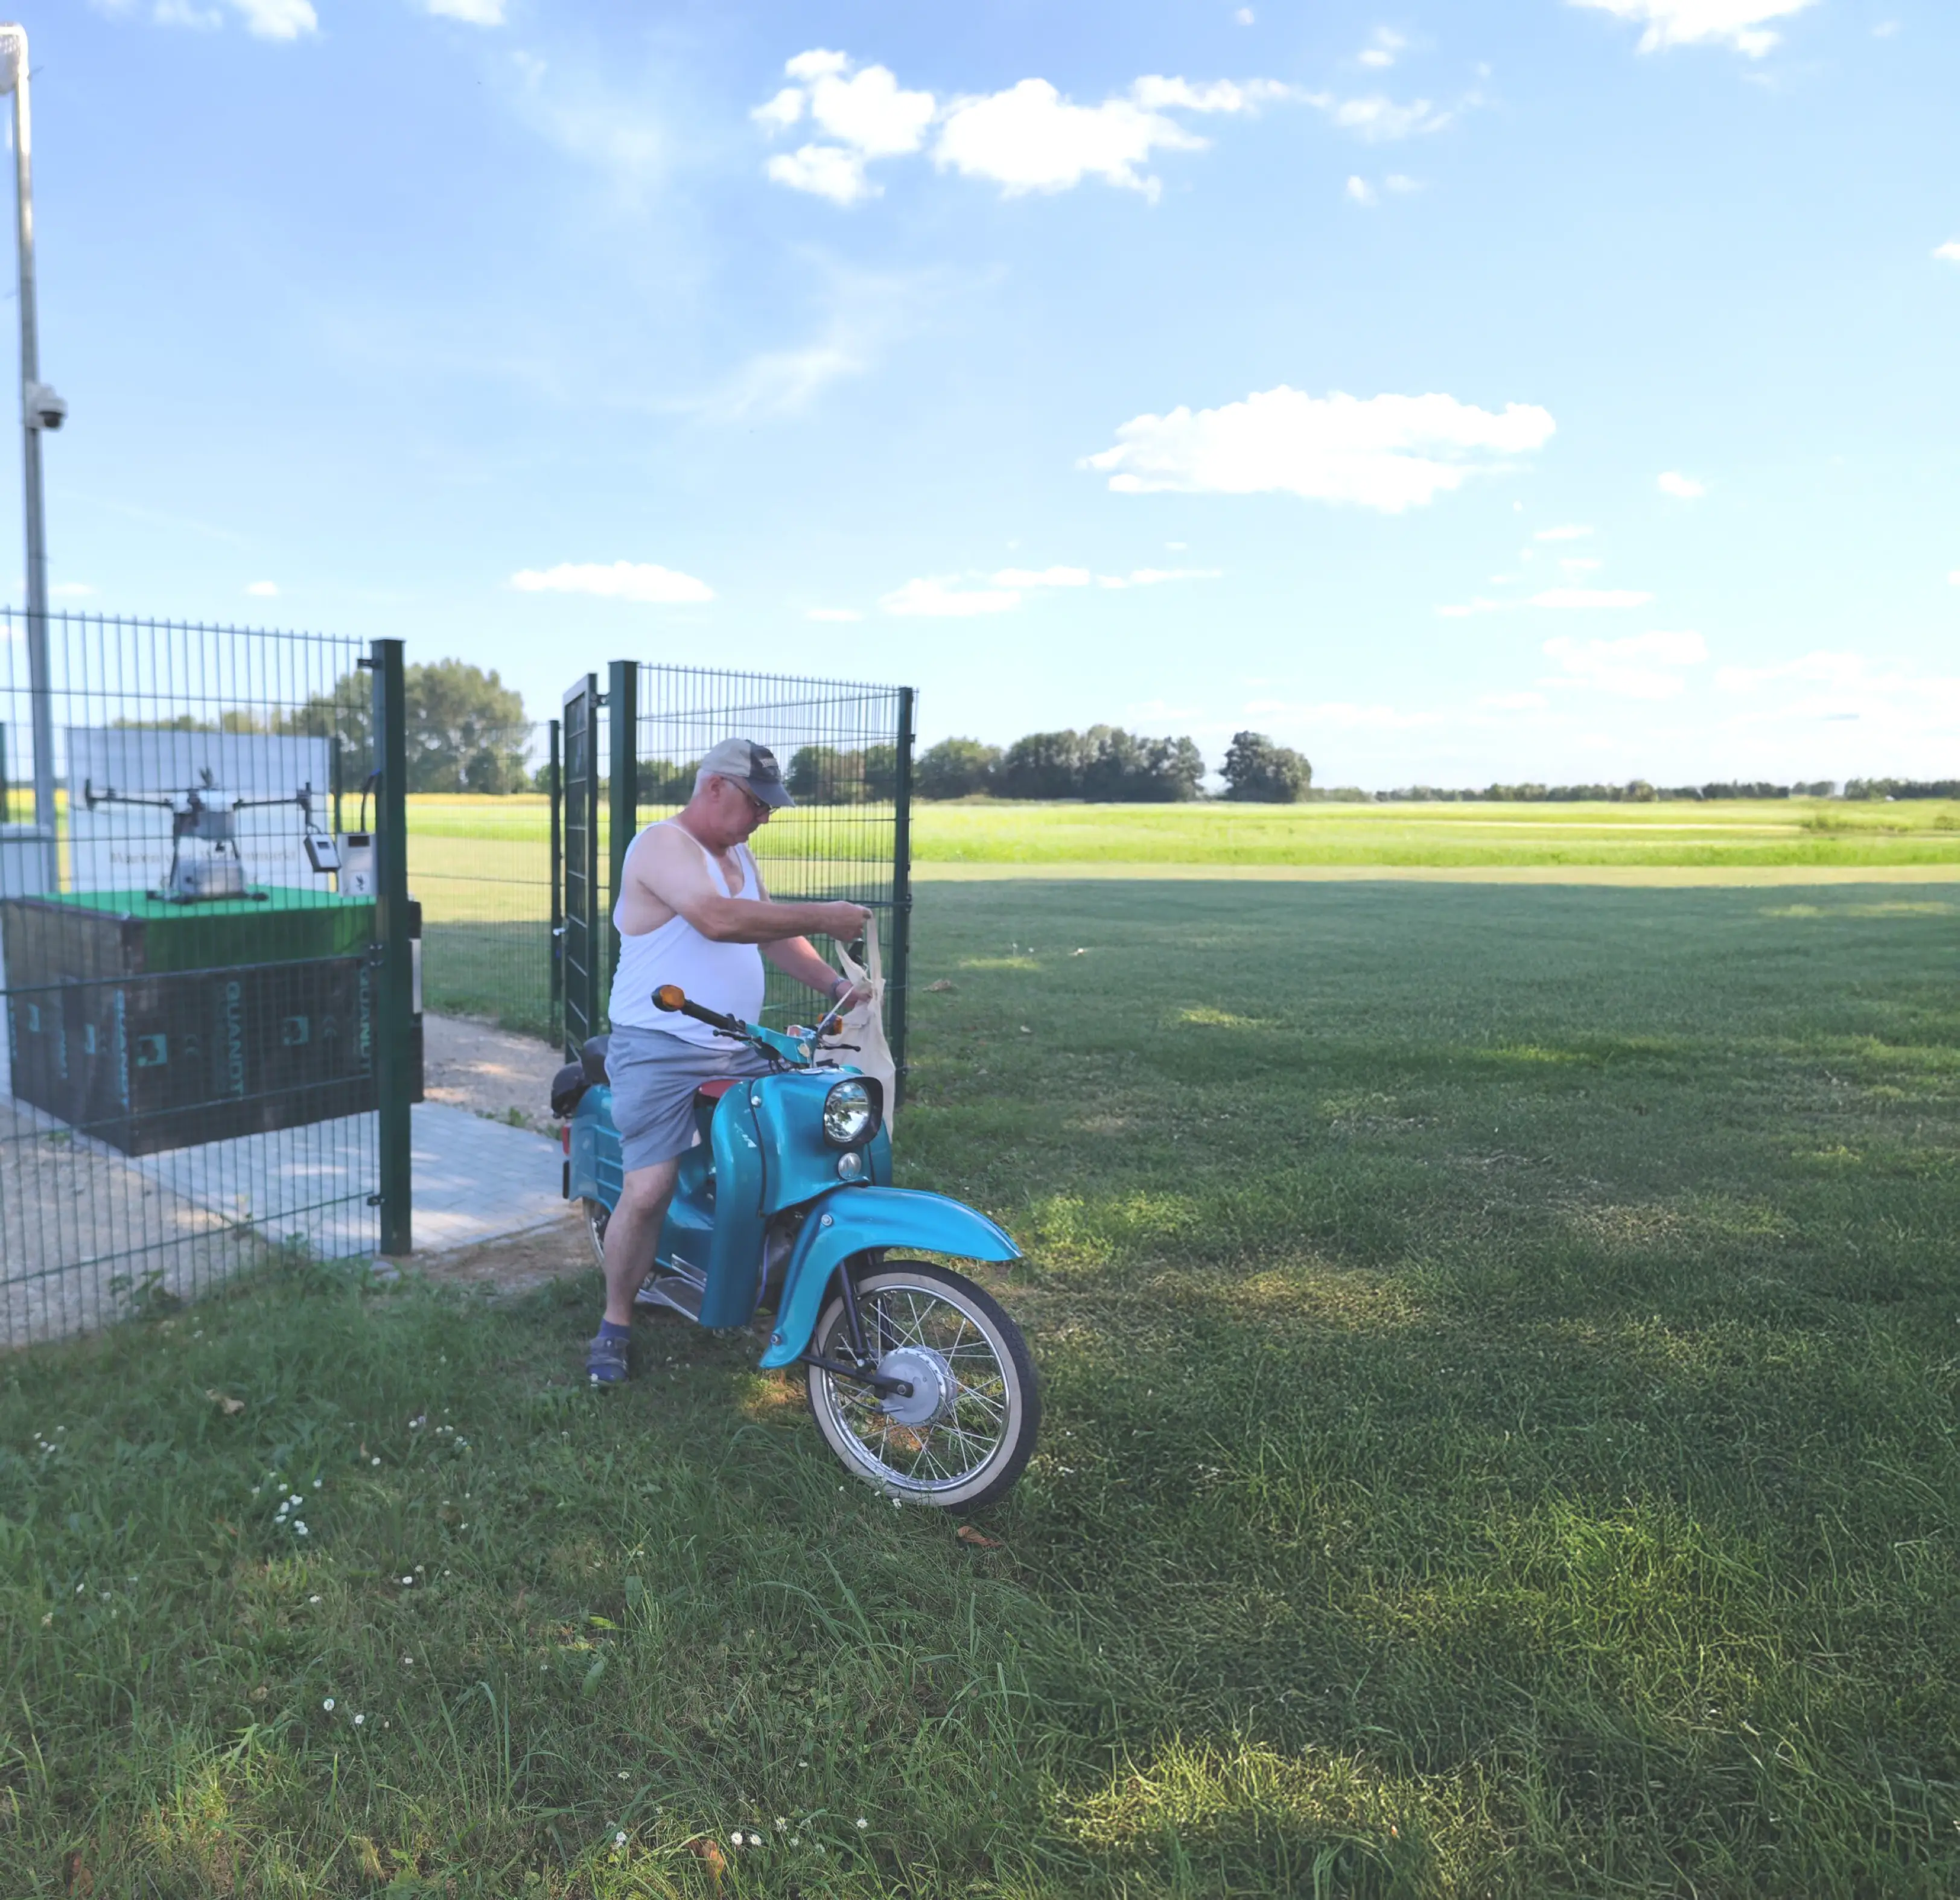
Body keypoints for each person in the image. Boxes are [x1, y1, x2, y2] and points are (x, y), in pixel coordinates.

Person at [585, 737, 870, 1384]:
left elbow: (767, 930)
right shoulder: (659, 845)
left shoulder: (737, 850)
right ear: (714, 787)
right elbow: (716, 919)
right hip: (655, 1046)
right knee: (649, 1187)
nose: (764, 817)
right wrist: (826, 914)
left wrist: (833, 986)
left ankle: (770, 1280)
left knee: (793, 1154)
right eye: (757, 802)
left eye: (770, 806)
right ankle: (616, 1320)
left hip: (735, 1041)